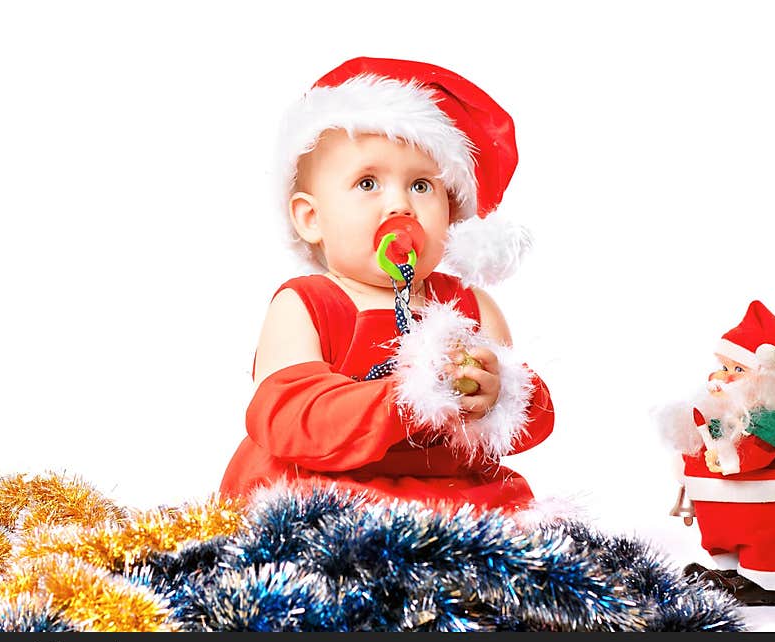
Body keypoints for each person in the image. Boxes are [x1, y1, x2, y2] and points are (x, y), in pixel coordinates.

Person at [219, 57, 555, 514]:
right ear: (311, 217)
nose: (400, 203)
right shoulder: (305, 303)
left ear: (451, 213)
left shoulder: (472, 306)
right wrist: (405, 396)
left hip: (448, 495)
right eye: (368, 182)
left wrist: (497, 395)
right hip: (329, 488)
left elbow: (527, 419)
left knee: (519, 528)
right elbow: (287, 416)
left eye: (421, 186)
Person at [658, 300, 775, 605]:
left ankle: (763, 581)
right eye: (723, 367)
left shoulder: (769, 424)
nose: (723, 377)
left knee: (766, 538)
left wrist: (725, 459)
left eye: (738, 369)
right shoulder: (723, 414)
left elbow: (755, 454)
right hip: (721, 503)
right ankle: (730, 572)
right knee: (724, 534)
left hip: (766, 503)